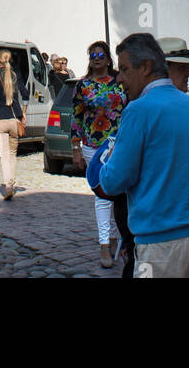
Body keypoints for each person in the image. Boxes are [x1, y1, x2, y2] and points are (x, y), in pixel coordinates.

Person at [89, 32, 189, 279]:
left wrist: (107, 159)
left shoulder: (138, 110)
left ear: (146, 67)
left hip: (163, 243)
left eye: (124, 69)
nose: (120, 78)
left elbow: (113, 181)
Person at [71, 41, 127, 267]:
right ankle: (105, 244)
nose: (96, 58)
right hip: (93, 147)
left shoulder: (120, 83)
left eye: (101, 55)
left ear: (108, 58)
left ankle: (115, 238)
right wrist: (75, 147)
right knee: (103, 195)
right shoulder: (83, 85)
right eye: (92, 55)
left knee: (118, 195)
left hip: (120, 145)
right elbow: (76, 118)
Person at [0, 49, 29, 200]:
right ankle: (11, 182)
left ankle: (8, 184)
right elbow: (26, 94)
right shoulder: (16, 75)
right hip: (14, 118)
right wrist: (23, 113)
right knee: (12, 154)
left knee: (3, 155)